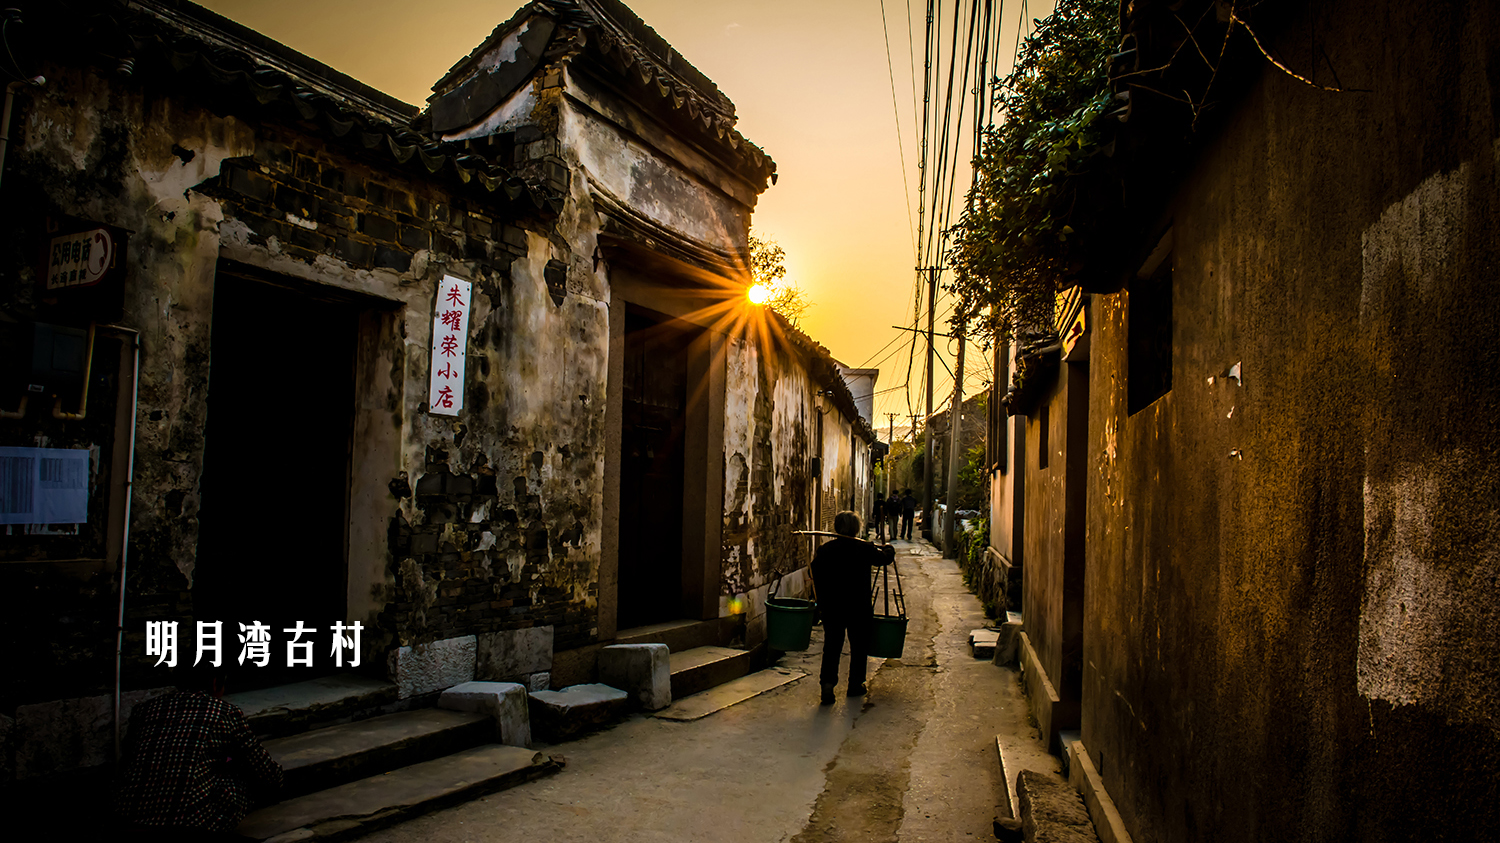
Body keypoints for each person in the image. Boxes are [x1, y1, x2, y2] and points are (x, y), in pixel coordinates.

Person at [115, 664, 284, 840]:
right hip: (190, 821)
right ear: (214, 683)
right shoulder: (223, 712)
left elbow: (130, 756)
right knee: (241, 774)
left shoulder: (145, 710)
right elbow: (268, 773)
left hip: (129, 814)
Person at [810, 511, 895, 704]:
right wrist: (889, 549)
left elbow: (814, 570)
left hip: (833, 607)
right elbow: (884, 559)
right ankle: (855, 684)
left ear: (837, 527)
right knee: (859, 646)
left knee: (832, 646)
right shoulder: (863, 548)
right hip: (858, 606)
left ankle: (827, 685)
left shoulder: (826, 550)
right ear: (856, 528)